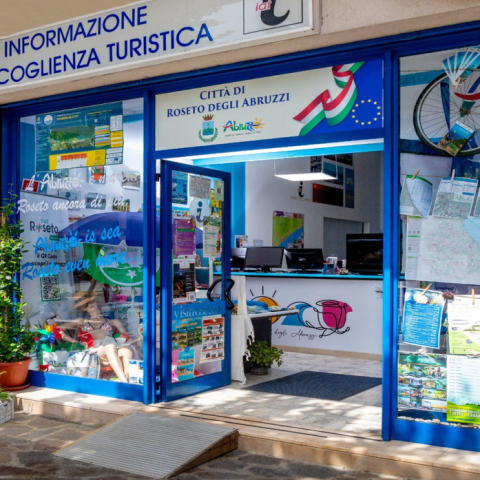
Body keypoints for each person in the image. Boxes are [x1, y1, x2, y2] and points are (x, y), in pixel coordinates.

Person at [59, 291, 133, 383]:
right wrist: (74, 342)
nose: (90, 304)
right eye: (86, 304)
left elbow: (127, 338)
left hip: (112, 347)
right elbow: (57, 329)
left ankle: (129, 380)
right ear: (83, 308)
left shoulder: (113, 321)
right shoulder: (82, 321)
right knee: (110, 346)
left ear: (96, 302)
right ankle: (124, 382)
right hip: (95, 351)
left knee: (126, 350)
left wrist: (138, 351)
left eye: (91, 301)